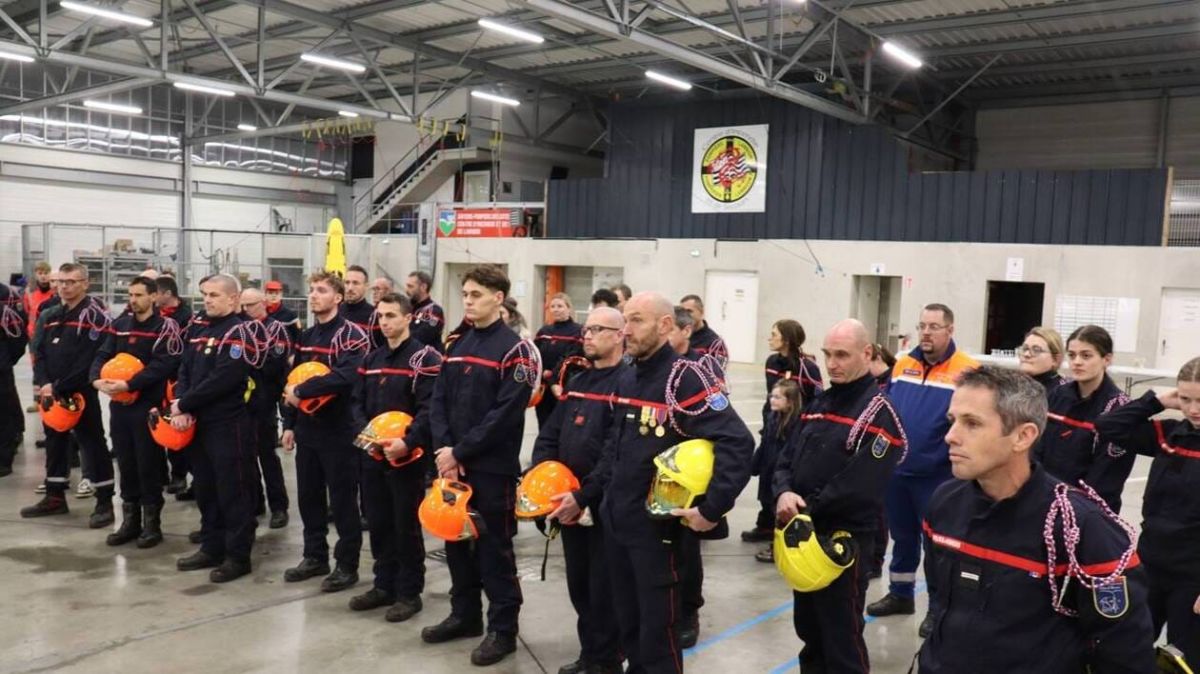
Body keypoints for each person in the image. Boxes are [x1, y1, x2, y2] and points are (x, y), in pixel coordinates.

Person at [918, 366, 1154, 673]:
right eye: (953, 421)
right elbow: (940, 603)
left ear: (1023, 436)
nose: (950, 436)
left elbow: (1125, 651)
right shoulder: (945, 503)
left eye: (972, 424)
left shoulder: (1081, 529)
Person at [590, 292, 753, 674]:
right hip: (618, 523)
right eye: (624, 321)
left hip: (657, 535)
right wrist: (595, 497)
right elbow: (615, 445)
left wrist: (712, 509)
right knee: (628, 628)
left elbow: (737, 441)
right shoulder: (629, 374)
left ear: (665, 326)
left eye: (636, 321)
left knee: (657, 637)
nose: (626, 330)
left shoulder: (685, 377)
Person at [773, 319, 907, 674]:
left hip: (842, 544)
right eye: (828, 354)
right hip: (803, 538)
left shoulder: (879, 414)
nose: (832, 364)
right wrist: (783, 491)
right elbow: (787, 457)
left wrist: (804, 510)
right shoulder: (819, 403)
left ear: (867, 353)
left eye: (842, 355)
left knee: (840, 637)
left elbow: (859, 486)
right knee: (810, 631)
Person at [422, 264, 533, 667]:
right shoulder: (457, 344)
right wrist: (444, 452)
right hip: (452, 465)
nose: (468, 301)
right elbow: (438, 403)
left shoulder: (516, 351)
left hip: (491, 470)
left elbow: (504, 414)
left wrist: (460, 453)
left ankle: (502, 630)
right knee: (456, 544)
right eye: (465, 294)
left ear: (497, 298)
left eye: (476, 295)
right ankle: (464, 615)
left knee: (494, 552)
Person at [869, 303, 978, 637]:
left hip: (938, 476)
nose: (927, 332)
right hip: (898, 472)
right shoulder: (903, 363)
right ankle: (901, 594)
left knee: (938, 545)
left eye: (934, 326)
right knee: (902, 537)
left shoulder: (968, 371)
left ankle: (937, 607)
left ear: (950, 330)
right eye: (922, 326)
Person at [532, 306, 626, 674]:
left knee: (604, 590)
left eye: (598, 329)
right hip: (566, 503)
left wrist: (584, 496)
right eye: (587, 329)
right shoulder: (579, 383)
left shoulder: (627, 385)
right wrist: (541, 475)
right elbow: (551, 433)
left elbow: (615, 452)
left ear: (620, 336)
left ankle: (607, 660)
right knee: (580, 586)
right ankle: (591, 655)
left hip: (600, 508)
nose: (587, 335)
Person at [1096, 356, 1200, 666]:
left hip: (1193, 579)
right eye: (1185, 399)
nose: (1194, 409)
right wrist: (1154, 401)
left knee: (1183, 661)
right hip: (1150, 566)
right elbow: (1108, 426)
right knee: (1131, 649)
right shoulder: (1170, 435)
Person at [349, 292, 440, 623]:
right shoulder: (370, 360)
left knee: (405, 527)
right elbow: (355, 403)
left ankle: (408, 592)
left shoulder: (424, 359)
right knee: (378, 523)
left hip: (407, 459)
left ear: (407, 318)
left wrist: (408, 442)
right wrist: (366, 438)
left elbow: (430, 409)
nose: (384, 322)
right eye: (381, 316)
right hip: (373, 457)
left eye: (391, 316)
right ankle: (383, 585)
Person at [282, 271, 370, 593]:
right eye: (312, 290)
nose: (314, 296)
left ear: (337, 298)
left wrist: (303, 391)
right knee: (309, 497)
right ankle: (314, 555)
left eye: (321, 290)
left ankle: (347, 565)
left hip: (339, 430)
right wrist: (289, 424)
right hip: (308, 431)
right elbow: (291, 380)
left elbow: (347, 376)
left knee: (343, 501)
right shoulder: (306, 336)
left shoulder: (352, 335)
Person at [171, 274, 260, 583]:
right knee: (206, 488)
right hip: (198, 422)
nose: (207, 299)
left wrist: (185, 404)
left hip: (227, 423)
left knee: (233, 490)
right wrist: (181, 398)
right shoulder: (198, 327)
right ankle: (211, 546)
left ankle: (238, 556)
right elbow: (184, 367)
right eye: (205, 294)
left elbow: (225, 378)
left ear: (233, 300)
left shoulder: (240, 332)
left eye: (214, 295)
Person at [89, 276, 181, 547]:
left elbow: (164, 365)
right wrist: (96, 379)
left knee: (148, 465)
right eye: (130, 294)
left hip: (147, 409)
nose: (133, 299)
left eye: (139, 294)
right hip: (120, 408)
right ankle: (130, 522)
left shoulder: (165, 328)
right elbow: (102, 354)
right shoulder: (119, 326)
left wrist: (130, 383)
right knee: (126, 465)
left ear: (154, 297)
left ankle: (152, 525)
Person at [21, 263, 115, 527]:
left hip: (81, 392)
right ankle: (54, 496)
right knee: (54, 441)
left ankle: (104, 500)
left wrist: (61, 385)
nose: (65, 286)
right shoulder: (49, 314)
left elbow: (90, 359)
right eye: (61, 281)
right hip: (53, 393)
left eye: (72, 281)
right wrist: (44, 382)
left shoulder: (95, 316)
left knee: (92, 443)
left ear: (85, 283)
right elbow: (38, 351)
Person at [1036, 325, 1133, 513]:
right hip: (1043, 502)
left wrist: (1070, 508)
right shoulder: (1056, 395)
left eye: (1086, 356)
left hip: (1089, 513)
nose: (1077, 362)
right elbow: (1037, 449)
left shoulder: (1118, 409)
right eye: (1072, 355)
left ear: (1107, 359)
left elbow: (1105, 479)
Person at [745, 319, 823, 543]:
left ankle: (781, 535)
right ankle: (765, 524)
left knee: (784, 480)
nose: (769, 338)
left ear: (786, 339)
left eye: (774, 334)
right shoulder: (771, 362)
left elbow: (818, 398)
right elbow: (771, 395)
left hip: (795, 434)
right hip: (772, 428)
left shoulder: (807, 367)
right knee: (765, 476)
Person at [239, 288, 291, 529]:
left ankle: (279, 506)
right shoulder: (240, 328)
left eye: (251, 305)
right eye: (244, 305)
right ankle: (255, 501)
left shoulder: (275, 329)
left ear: (263, 303)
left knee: (267, 455)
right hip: (243, 403)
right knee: (246, 456)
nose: (247, 309)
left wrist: (248, 364)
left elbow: (273, 364)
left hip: (266, 400)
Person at [749, 379, 802, 563]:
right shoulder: (773, 418)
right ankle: (772, 538)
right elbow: (764, 445)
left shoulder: (795, 425)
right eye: (772, 395)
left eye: (778, 397)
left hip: (780, 476)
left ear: (790, 402)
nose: (772, 400)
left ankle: (779, 548)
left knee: (779, 513)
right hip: (768, 471)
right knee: (768, 507)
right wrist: (753, 466)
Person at [157, 275, 195, 497]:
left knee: (179, 427)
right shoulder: (155, 316)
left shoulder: (187, 318)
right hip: (156, 381)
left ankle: (181, 475)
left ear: (167, 294)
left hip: (177, 381)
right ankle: (167, 473)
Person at [533, 293, 583, 428]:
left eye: (560, 306)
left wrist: (553, 376)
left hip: (564, 386)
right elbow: (534, 355)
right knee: (544, 425)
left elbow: (571, 357)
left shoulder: (578, 331)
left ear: (569, 308)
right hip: (544, 390)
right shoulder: (544, 331)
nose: (555, 309)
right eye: (552, 306)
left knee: (563, 427)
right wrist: (542, 373)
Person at [0, 282, 27, 475]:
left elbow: (17, 338)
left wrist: (6, 360)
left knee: (4, 413)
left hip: (1, 370)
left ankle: (4, 460)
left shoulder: (5, 305)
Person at [22, 262, 53, 414]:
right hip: (34, 335)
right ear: (36, 274)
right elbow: (27, 313)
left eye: (46, 272)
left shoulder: (56, 292)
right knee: (36, 367)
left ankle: (52, 398)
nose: (43, 275)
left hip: (51, 335)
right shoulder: (29, 292)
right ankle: (36, 401)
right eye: (40, 272)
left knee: (53, 366)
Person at [680, 294, 727, 368]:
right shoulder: (677, 337)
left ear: (701, 312)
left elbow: (718, 373)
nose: (686, 315)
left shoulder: (715, 343)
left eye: (689, 311)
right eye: (683, 312)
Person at [1018, 326, 1066, 394]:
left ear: (1055, 359)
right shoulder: (1013, 387)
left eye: (1036, 350)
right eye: (1025, 348)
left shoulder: (1061, 394)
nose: (1026, 354)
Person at [340, 265, 380, 346]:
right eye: (347, 282)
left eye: (355, 283)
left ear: (366, 286)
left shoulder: (374, 316)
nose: (350, 288)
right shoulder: (334, 312)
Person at [405, 271, 445, 351]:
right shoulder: (406, 308)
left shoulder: (434, 311)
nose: (406, 290)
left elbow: (422, 337)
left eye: (410, 286)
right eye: (407, 286)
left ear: (423, 287)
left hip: (426, 358)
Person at [264, 280, 301, 345]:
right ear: (265, 295)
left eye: (277, 293)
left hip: (285, 351)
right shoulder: (262, 313)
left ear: (281, 295)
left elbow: (299, 337)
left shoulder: (290, 315)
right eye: (270, 293)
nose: (273, 296)